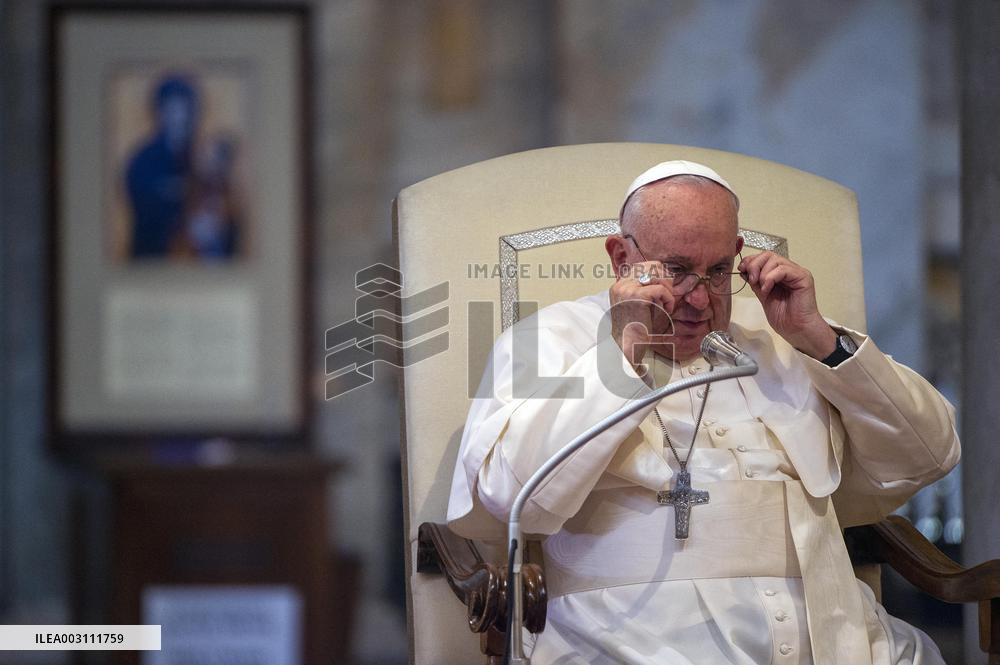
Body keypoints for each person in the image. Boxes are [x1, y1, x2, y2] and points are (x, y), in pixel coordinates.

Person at [446, 160, 959, 665]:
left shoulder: (788, 338)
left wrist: (821, 342)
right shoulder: (549, 340)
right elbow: (514, 500)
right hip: (628, 639)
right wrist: (621, 352)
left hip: (832, 635)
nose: (698, 299)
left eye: (717, 273)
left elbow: (929, 456)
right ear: (620, 256)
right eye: (676, 270)